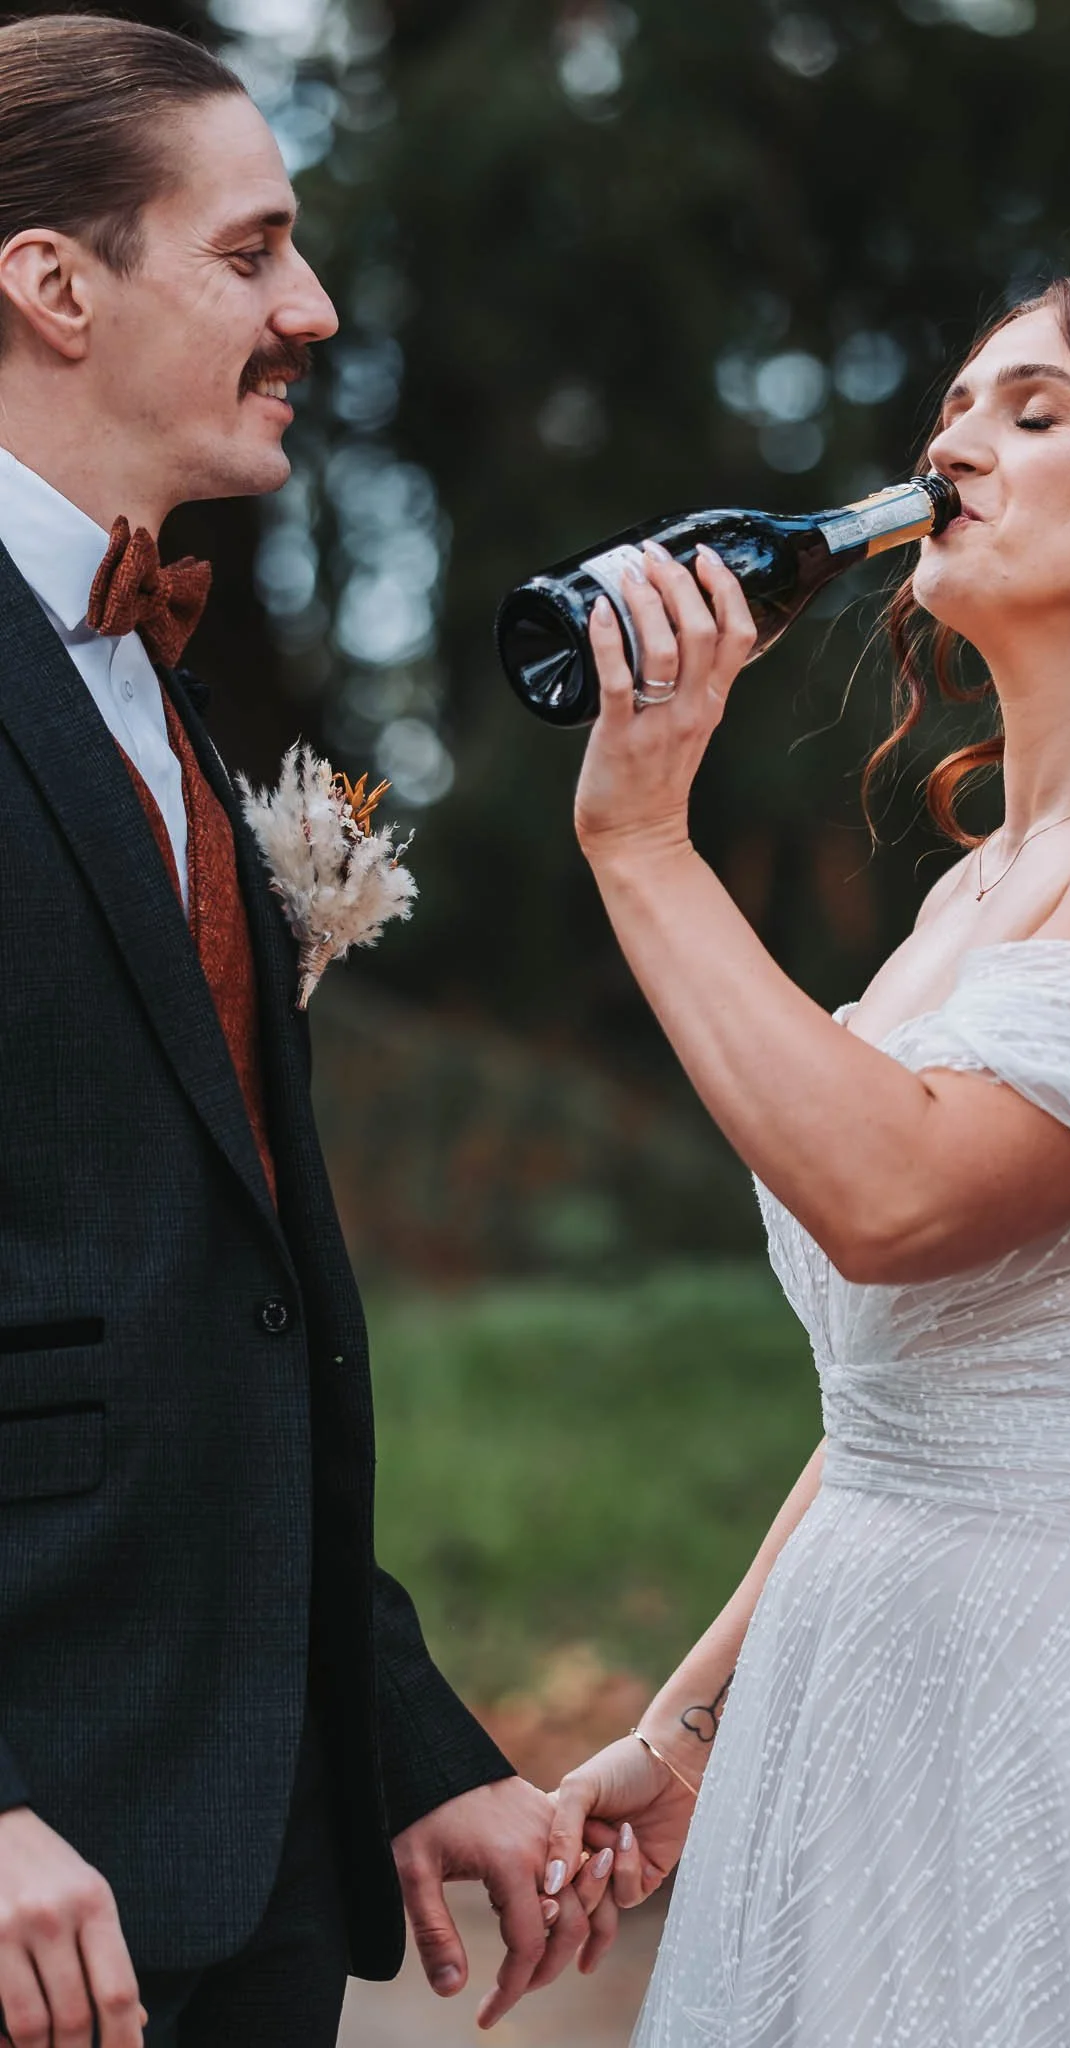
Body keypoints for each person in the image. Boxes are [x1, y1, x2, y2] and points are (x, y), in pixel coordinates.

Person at [540, 278, 1070, 2043]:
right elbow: (902, 1417)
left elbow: (897, 1199)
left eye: (1032, 410)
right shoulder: (967, 897)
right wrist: (687, 1727)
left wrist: (638, 842)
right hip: (849, 1700)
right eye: (953, 410)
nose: (951, 444)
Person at [0, 17, 604, 2047]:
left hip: (238, 1865)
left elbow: (215, 1306)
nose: (313, 309)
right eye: (250, 255)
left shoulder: (143, 686)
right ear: (52, 284)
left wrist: (406, 1738)